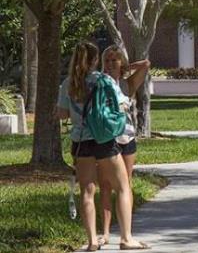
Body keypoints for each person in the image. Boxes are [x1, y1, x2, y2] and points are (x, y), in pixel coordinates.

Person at [57, 42, 149, 251]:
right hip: (104, 141)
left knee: (87, 192)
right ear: (95, 60)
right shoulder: (103, 80)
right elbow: (123, 103)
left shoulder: (68, 84)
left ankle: (91, 242)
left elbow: (62, 114)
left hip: (81, 143)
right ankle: (126, 239)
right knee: (123, 187)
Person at [98, 45, 150, 246]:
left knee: (125, 185)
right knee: (105, 185)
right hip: (107, 139)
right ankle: (105, 233)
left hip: (127, 138)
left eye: (114, 60)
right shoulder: (99, 83)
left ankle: (125, 233)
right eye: (107, 60)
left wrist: (130, 65)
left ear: (121, 64)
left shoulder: (127, 85)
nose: (110, 64)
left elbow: (146, 65)